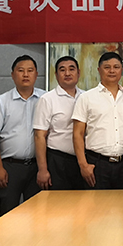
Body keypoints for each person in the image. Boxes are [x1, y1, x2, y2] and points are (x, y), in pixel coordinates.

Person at [0, 55, 46, 216]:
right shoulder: (2, 101)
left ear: (36, 74)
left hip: (37, 167)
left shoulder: (45, 99)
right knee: (8, 212)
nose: (25, 74)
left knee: (37, 214)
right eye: (21, 71)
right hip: (10, 167)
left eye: (30, 70)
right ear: (13, 75)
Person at [72, 52, 123, 189]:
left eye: (116, 67)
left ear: (122, 70)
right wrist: (83, 165)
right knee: (96, 203)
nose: (112, 71)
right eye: (107, 67)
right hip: (96, 164)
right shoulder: (86, 98)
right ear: (99, 70)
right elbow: (77, 134)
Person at [33, 56, 86, 190]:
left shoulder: (86, 97)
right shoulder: (47, 99)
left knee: (84, 201)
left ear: (78, 73)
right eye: (62, 70)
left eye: (71, 69)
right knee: (59, 201)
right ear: (56, 75)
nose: (67, 73)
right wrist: (43, 170)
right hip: (58, 161)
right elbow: (39, 136)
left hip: (84, 160)